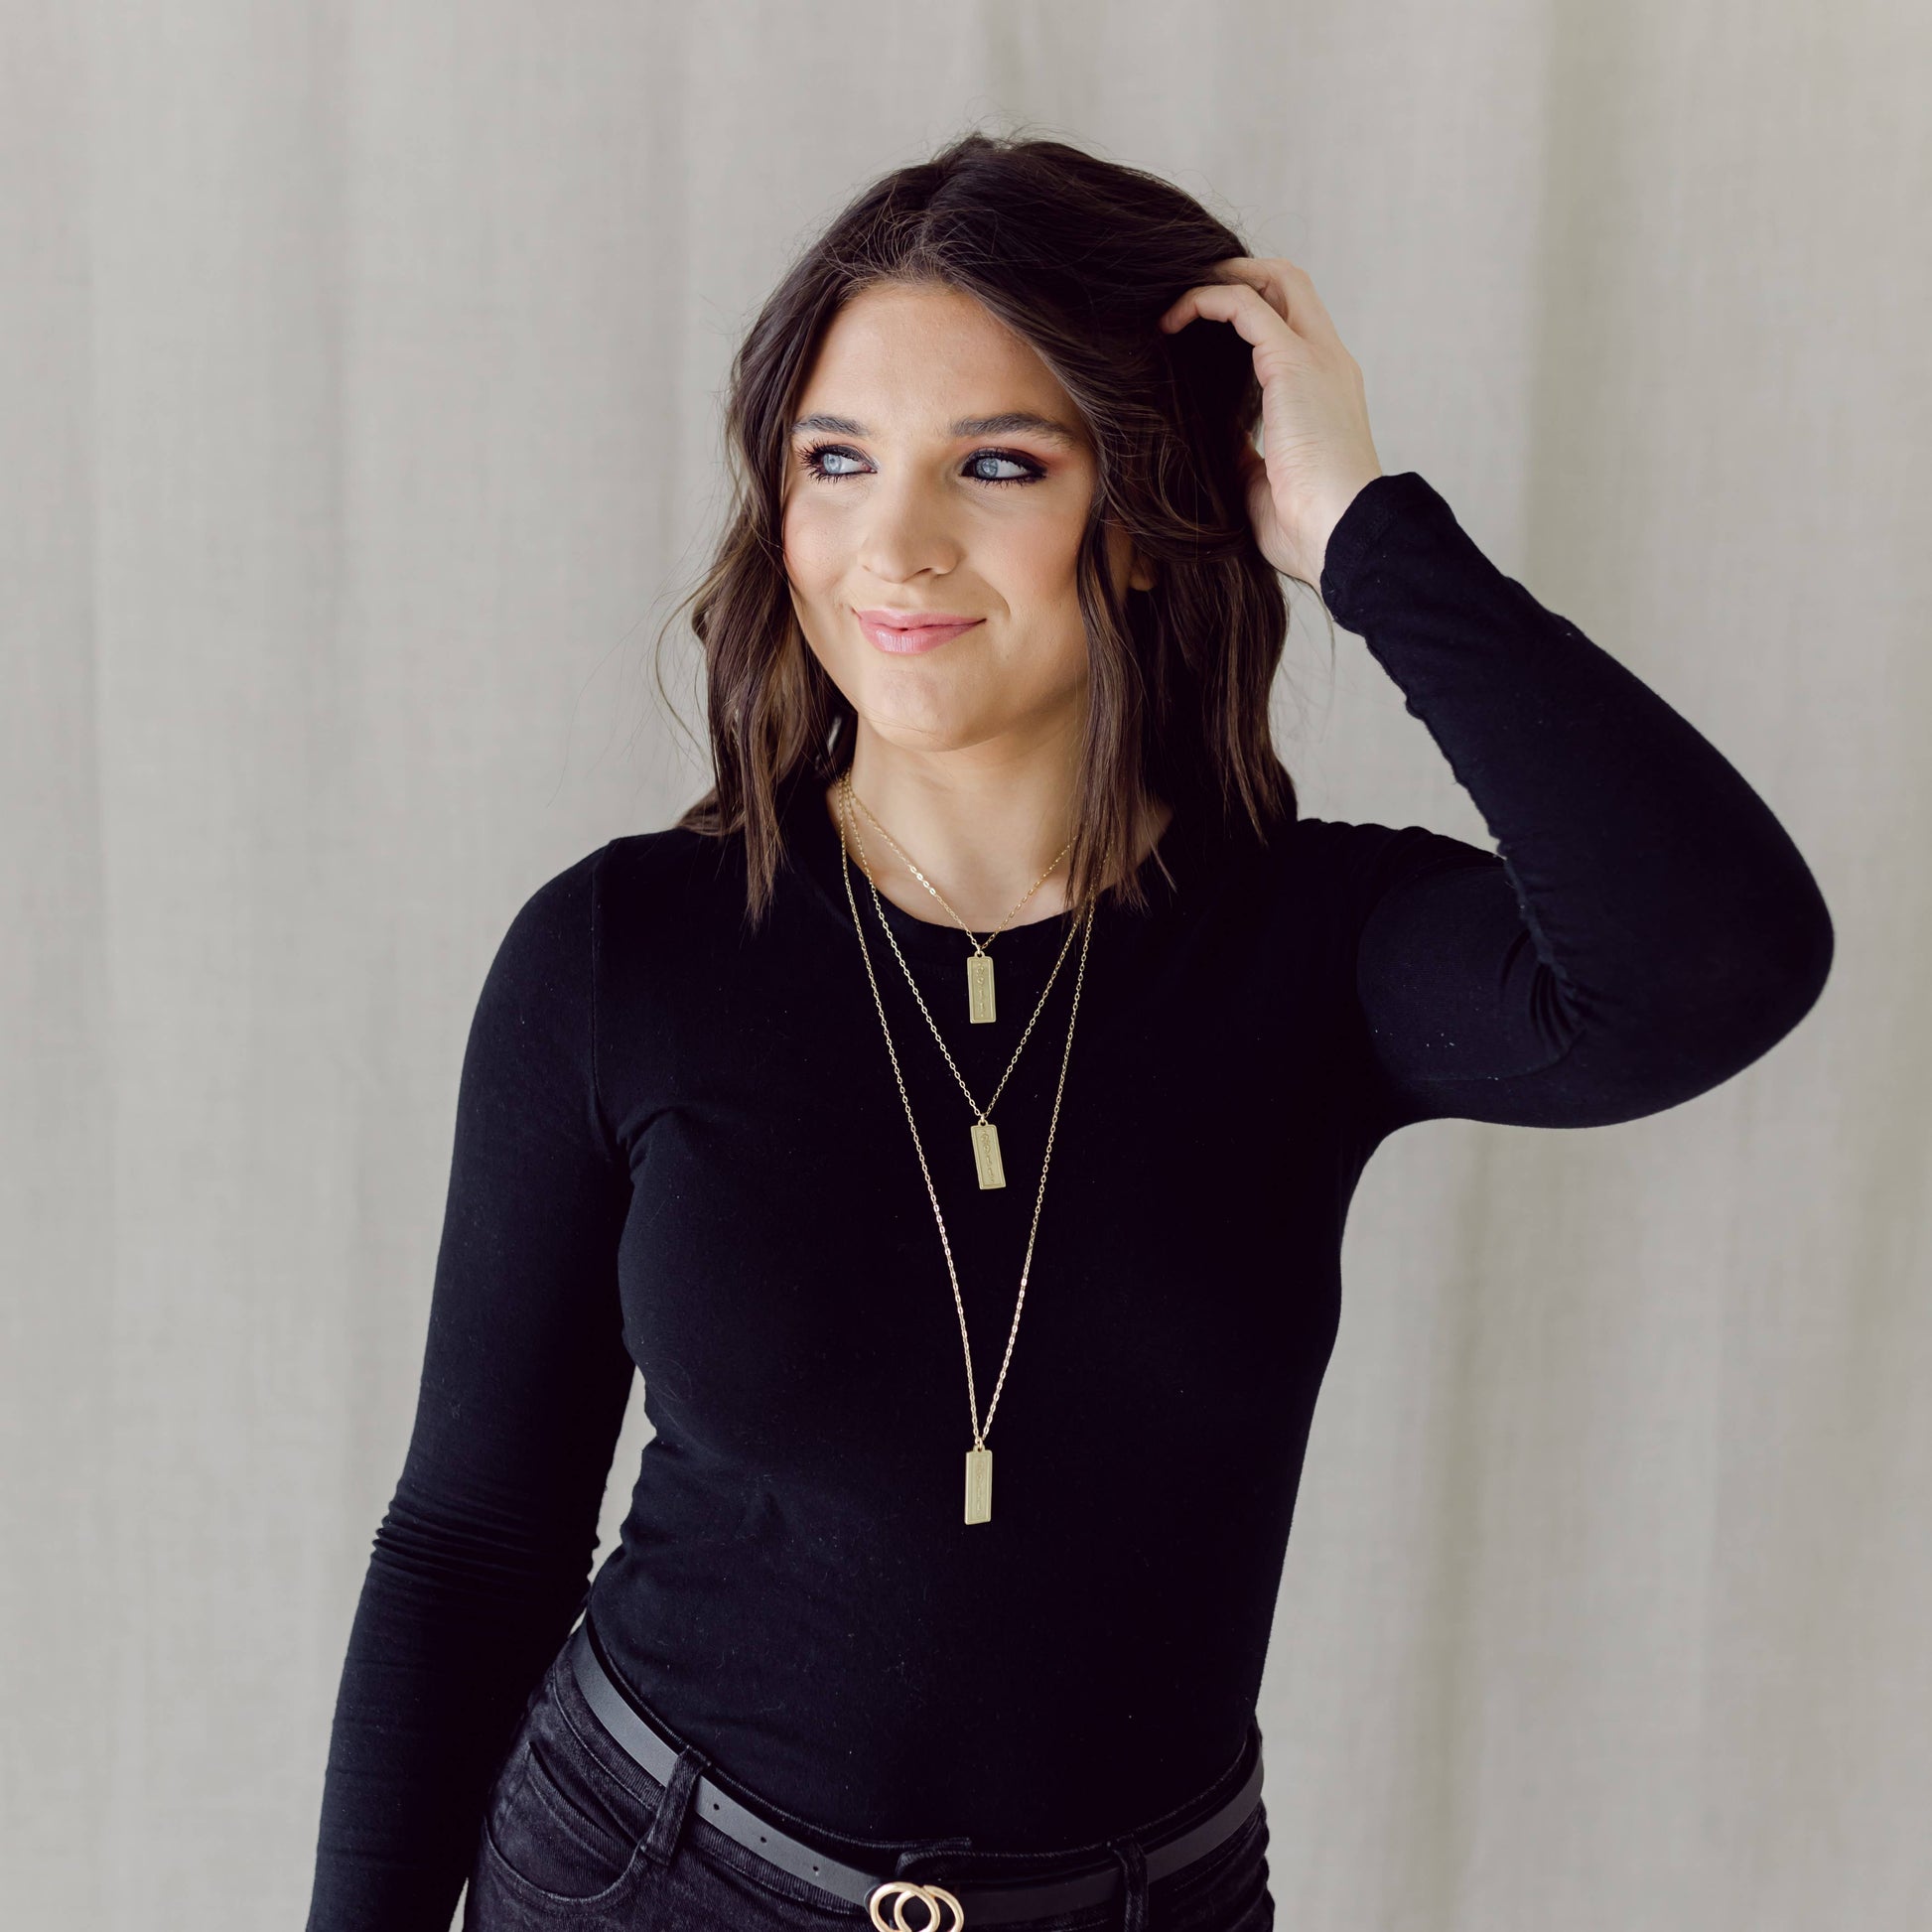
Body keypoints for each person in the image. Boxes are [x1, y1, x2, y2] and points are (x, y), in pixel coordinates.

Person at [304, 131, 1834, 1932]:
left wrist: (1357, 531)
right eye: (836, 460)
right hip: (658, 1873)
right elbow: (471, 1543)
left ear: (1146, 516)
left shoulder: (1316, 947)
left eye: (999, 464)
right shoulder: (620, 954)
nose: (895, 545)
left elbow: (1711, 959)